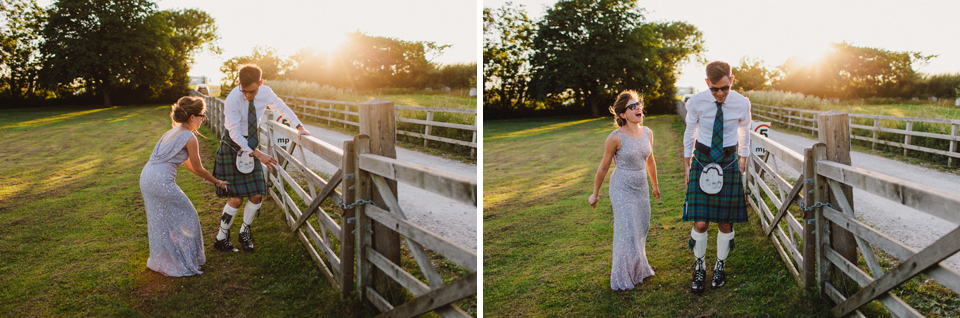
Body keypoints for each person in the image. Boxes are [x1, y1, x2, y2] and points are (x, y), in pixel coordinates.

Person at [212, 64, 311, 252]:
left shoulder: (266, 93)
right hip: (232, 145)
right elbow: (234, 133)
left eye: (253, 91)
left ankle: (244, 232)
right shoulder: (233, 99)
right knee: (236, 199)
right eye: (245, 91)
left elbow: (282, 108)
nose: (248, 95)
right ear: (239, 83)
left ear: (261, 83)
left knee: (257, 194)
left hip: (250, 144)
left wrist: (299, 127)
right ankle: (221, 237)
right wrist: (257, 153)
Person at [682, 61, 752, 293]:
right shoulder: (696, 102)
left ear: (731, 80)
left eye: (724, 87)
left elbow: (745, 128)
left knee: (725, 221)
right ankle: (699, 267)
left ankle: (719, 266)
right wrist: (686, 165)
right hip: (701, 159)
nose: (720, 93)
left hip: (729, 160)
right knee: (701, 221)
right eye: (714, 89)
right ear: (707, 83)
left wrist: (744, 154)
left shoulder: (742, 103)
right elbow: (689, 131)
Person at [140, 96, 229, 276]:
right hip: (160, 182)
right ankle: (184, 261)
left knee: (160, 220)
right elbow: (198, 168)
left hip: (146, 177)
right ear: (192, 117)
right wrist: (218, 182)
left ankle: (167, 259)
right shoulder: (189, 137)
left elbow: (190, 167)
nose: (203, 120)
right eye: (202, 116)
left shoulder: (171, 131)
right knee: (189, 216)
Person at [588, 90, 661, 290]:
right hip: (621, 188)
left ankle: (639, 269)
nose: (638, 108)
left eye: (638, 104)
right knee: (627, 231)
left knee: (641, 227)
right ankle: (623, 276)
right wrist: (595, 194)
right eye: (632, 106)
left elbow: (650, 160)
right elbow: (603, 167)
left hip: (641, 187)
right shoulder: (615, 138)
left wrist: (654, 185)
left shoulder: (648, 133)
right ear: (622, 114)